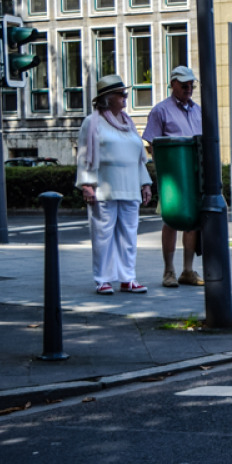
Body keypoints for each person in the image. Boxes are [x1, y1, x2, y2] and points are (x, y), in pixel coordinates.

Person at [76, 75, 154, 295]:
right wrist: (86, 184)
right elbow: (83, 155)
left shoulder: (128, 122)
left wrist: (145, 183)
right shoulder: (92, 122)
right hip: (104, 186)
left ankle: (128, 278)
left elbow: (138, 158)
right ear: (107, 98)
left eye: (125, 94)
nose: (125, 98)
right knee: (103, 235)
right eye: (121, 94)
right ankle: (102, 279)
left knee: (129, 235)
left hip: (130, 186)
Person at [143, 66, 203, 288]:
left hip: (194, 172)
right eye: (184, 85)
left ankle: (188, 270)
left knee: (192, 221)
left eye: (191, 85)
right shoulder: (161, 111)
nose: (189, 89)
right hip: (173, 175)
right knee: (170, 220)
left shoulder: (197, 110)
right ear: (173, 84)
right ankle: (168, 270)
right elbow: (151, 143)